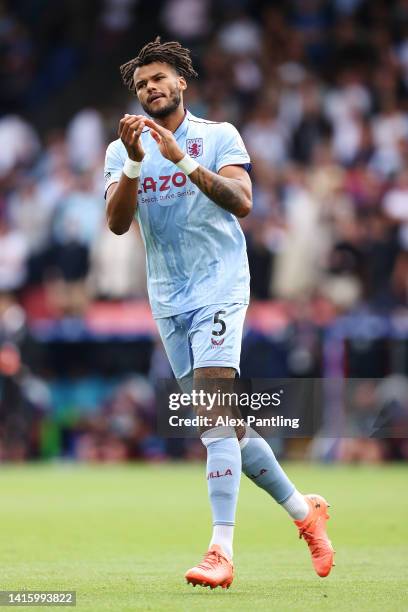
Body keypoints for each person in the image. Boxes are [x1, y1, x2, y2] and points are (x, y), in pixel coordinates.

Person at [104, 37, 334, 590]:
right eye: (141, 84)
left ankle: (220, 550)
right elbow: (115, 224)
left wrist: (180, 158)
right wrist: (136, 162)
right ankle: (306, 512)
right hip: (167, 297)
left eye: (159, 77)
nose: (150, 88)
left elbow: (242, 201)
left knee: (210, 418)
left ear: (182, 81)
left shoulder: (217, 136)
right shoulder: (123, 148)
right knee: (226, 425)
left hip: (220, 287)